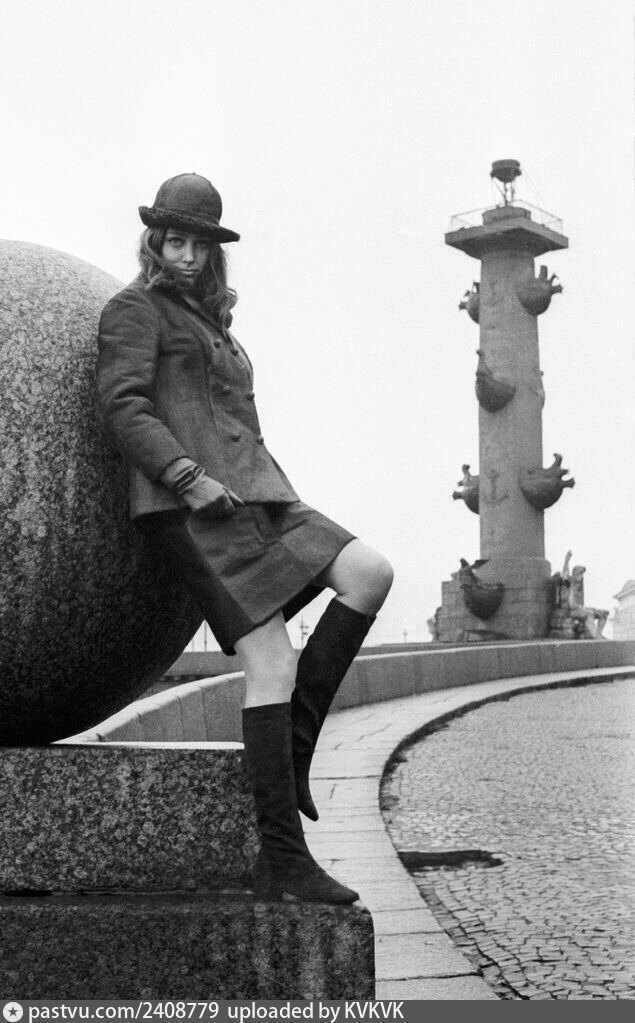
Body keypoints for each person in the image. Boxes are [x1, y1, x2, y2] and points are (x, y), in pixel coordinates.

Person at [96, 172, 393, 905]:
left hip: (262, 496)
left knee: (369, 573)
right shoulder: (134, 309)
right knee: (272, 661)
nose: (186, 255)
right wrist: (186, 476)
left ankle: (291, 751)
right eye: (175, 241)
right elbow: (123, 405)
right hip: (195, 506)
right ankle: (282, 860)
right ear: (154, 241)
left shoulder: (213, 322)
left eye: (199, 244)